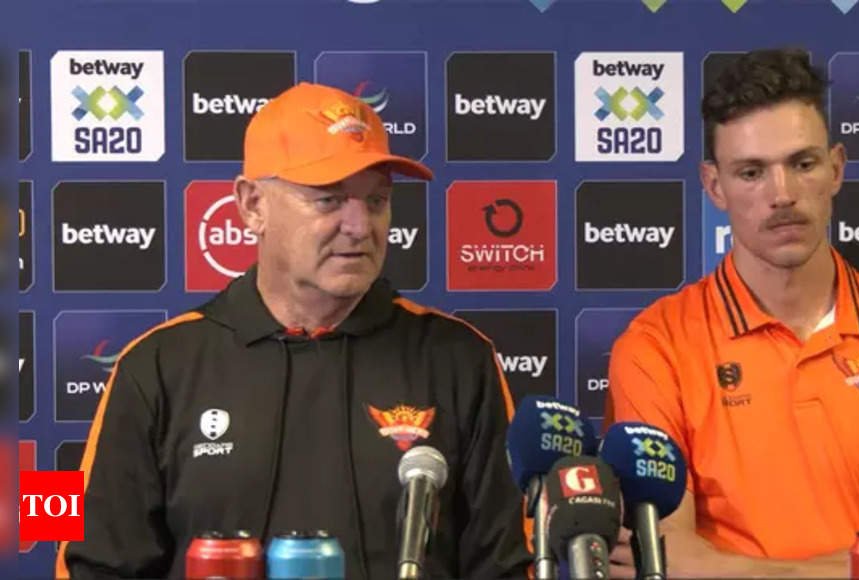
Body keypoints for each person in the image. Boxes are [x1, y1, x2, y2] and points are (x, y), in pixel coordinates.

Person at [56, 82, 532, 580]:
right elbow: (90, 567)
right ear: (252, 205)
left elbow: (507, 565)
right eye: (329, 200)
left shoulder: (460, 358)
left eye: (376, 200)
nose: (359, 226)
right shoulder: (155, 365)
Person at [604, 48, 859, 578]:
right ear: (714, 186)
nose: (781, 195)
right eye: (751, 172)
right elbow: (662, 560)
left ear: (836, 169)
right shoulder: (655, 346)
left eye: (802, 164)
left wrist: (724, 570)